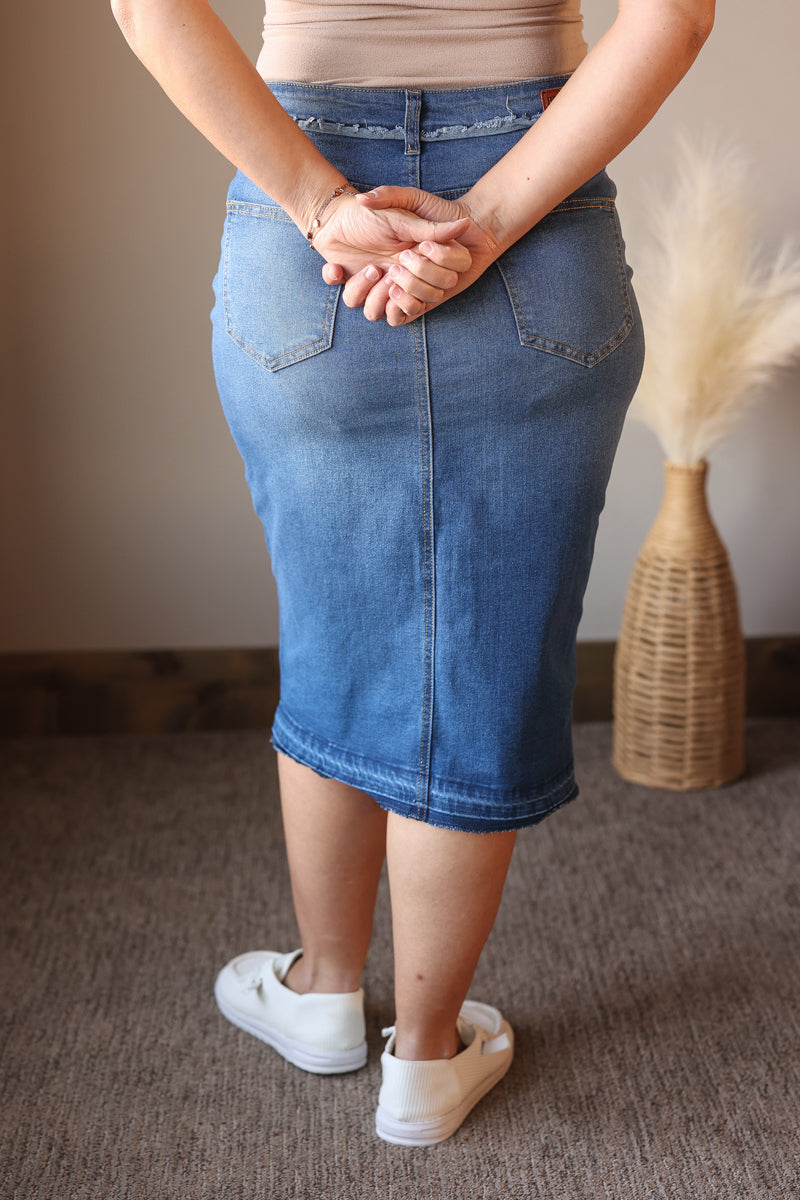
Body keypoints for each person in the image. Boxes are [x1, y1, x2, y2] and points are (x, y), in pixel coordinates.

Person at [111, 0, 715, 1147]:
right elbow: (676, 16)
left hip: (306, 207)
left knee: (334, 623)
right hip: (536, 193)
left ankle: (323, 995)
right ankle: (426, 1062)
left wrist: (325, 207)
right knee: (483, 655)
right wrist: (480, 223)